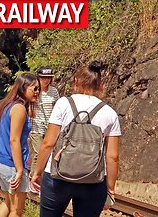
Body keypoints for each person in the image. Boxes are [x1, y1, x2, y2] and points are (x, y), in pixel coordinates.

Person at [30, 61, 121, 217]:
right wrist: (110, 187)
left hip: (57, 177)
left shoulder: (63, 103)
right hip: (93, 180)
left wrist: (37, 173)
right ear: (100, 83)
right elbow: (113, 156)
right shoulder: (110, 113)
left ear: (76, 81)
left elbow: (48, 143)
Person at [0, 73, 40, 217]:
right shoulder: (19, 108)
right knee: (17, 211)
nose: (37, 92)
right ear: (22, 88)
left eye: (39, 89)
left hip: (0, 161)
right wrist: (20, 170)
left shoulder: (8, 105)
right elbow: (14, 140)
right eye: (34, 88)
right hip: (11, 164)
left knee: (8, 203)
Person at [29, 67, 60, 178]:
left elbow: (57, 107)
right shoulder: (34, 90)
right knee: (38, 153)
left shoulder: (54, 91)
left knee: (49, 154)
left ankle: (43, 179)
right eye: (43, 78)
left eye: (48, 78)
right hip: (36, 127)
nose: (46, 80)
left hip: (50, 128)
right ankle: (33, 178)